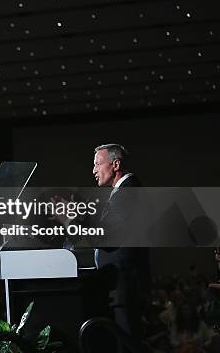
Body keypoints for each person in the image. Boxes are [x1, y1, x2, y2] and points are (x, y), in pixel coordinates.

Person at [92, 143, 150, 347]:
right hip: (118, 283)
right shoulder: (123, 190)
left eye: (98, 164)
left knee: (127, 342)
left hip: (124, 283)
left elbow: (108, 236)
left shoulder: (129, 190)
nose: (94, 170)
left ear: (115, 164)